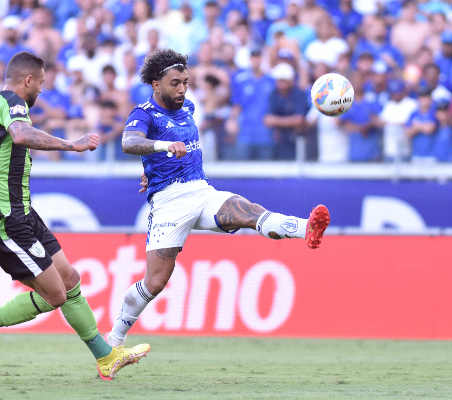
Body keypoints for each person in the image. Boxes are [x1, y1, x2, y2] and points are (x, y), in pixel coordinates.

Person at [104, 49, 330, 348]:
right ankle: (114, 338)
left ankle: (308, 229)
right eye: (175, 83)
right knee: (155, 282)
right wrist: (161, 149)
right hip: (170, 202)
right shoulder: (144, 112)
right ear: (156, 84)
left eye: (185, 81)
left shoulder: (188, 109)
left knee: (248, 211)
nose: (182, 88)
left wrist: (153, 167)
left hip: (201, 190)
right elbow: (129, 142)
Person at [0, 51, 150, 380]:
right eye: (41, 83)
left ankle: (106, 357)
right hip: (7, 222)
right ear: (27, 80)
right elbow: (21, 134)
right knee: (55, 294)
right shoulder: (13, 102)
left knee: (69, 279)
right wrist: (70, 145)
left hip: (23, 214)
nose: (41, 91)